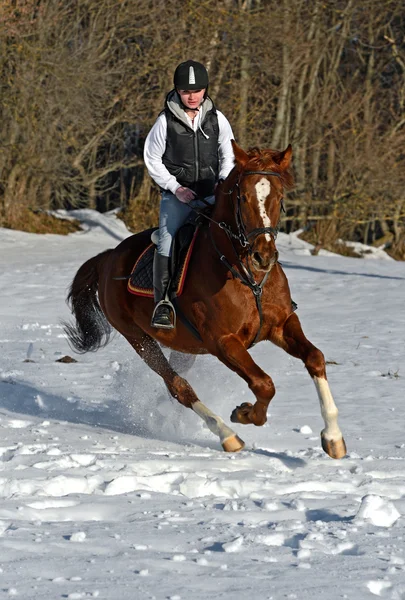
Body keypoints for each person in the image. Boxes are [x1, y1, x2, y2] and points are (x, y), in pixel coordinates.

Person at [144, 59, 235, 329]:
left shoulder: (217, 118)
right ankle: (163, 304)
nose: (192, 96)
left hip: (212, 194)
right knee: (167, 240)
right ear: (178, 92)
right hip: (179, 199)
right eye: (186, 92)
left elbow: (228, 153)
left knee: (244, 229)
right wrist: (176, 188)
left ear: (205, 90)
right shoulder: (165, 122)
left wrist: (222, 180)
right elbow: (152, 159)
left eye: (197, 91)